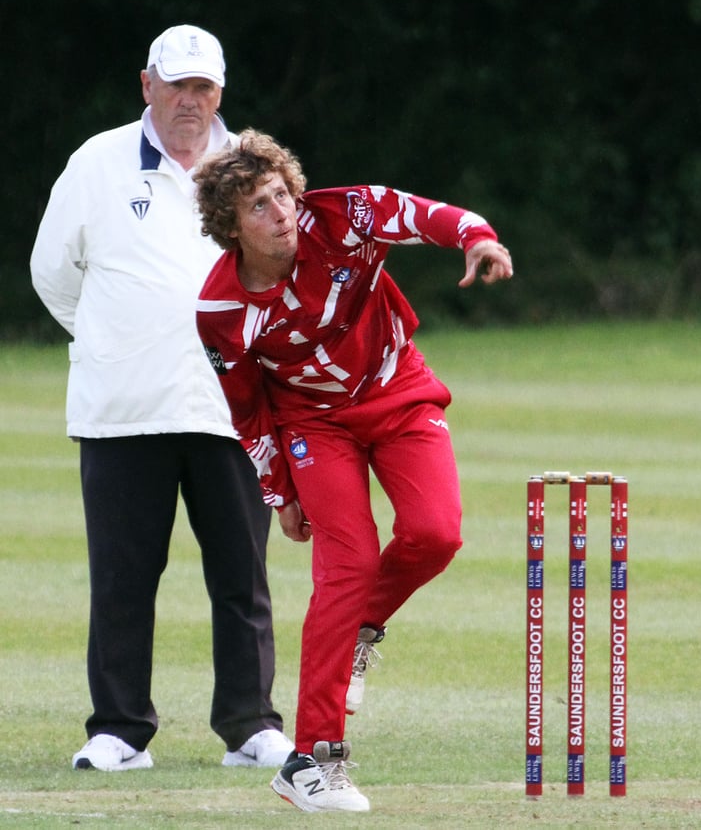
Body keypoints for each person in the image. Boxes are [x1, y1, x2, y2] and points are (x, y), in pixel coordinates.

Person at [192, 127, 514, 812]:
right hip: (314, 425)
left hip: (396, 389)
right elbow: (245, 407)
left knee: (436, 533)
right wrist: (277, 489)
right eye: (257, 206)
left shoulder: (345, 215)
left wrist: (477, 237)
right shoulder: (220, 310)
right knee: (348, 565)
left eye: (281, 193)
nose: (279, 212)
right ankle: (311, 760)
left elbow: (425, 214)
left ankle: (360, 626)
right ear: (231, 226)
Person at [29, 26, 293, 772]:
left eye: (203, 87)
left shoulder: (252, 167)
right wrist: (113, 338)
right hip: (123, 409)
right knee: (122, 577)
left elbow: (285, 263)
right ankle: (118, 729)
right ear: (147, 84)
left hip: (232, 407)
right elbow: (52, 273)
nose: (190, 101)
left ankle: (250, 725)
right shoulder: (98, 162)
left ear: (221, 90)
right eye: (177, 85)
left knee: (241, 577)